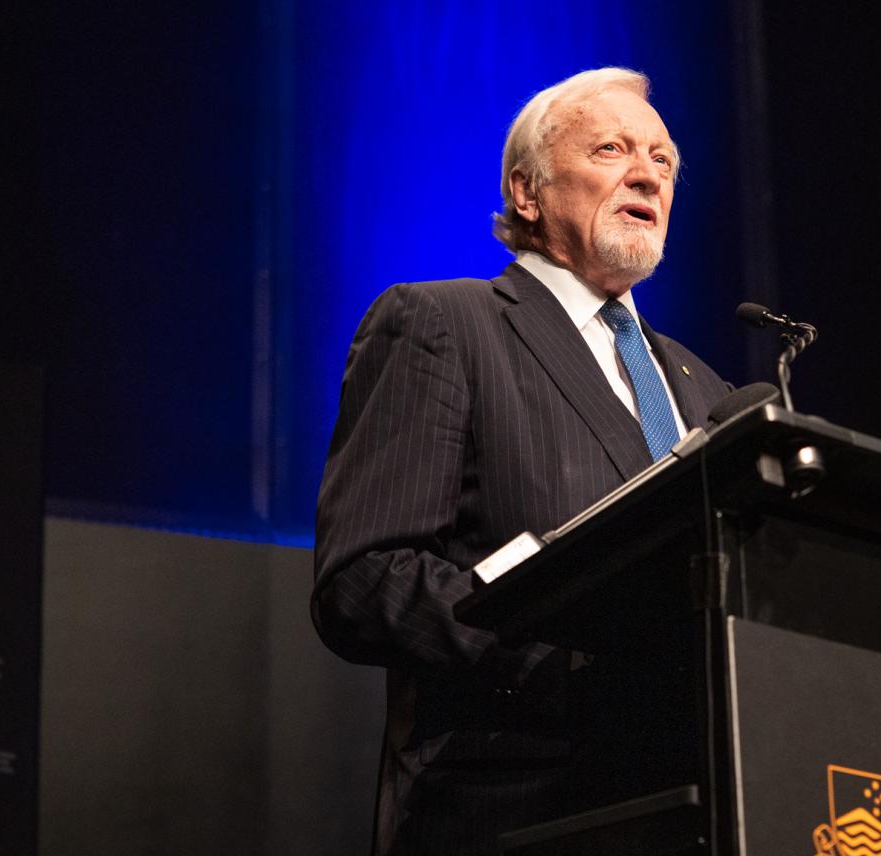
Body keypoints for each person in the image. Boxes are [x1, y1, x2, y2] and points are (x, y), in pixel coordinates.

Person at [312, 67, 731, 855]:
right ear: (527, 193)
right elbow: (365, 579)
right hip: (512, 811)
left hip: (694, 808)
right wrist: (560, 644)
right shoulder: (443, 325)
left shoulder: (709, 391)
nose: (647, 173)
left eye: (663, 159)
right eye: (611, 149)